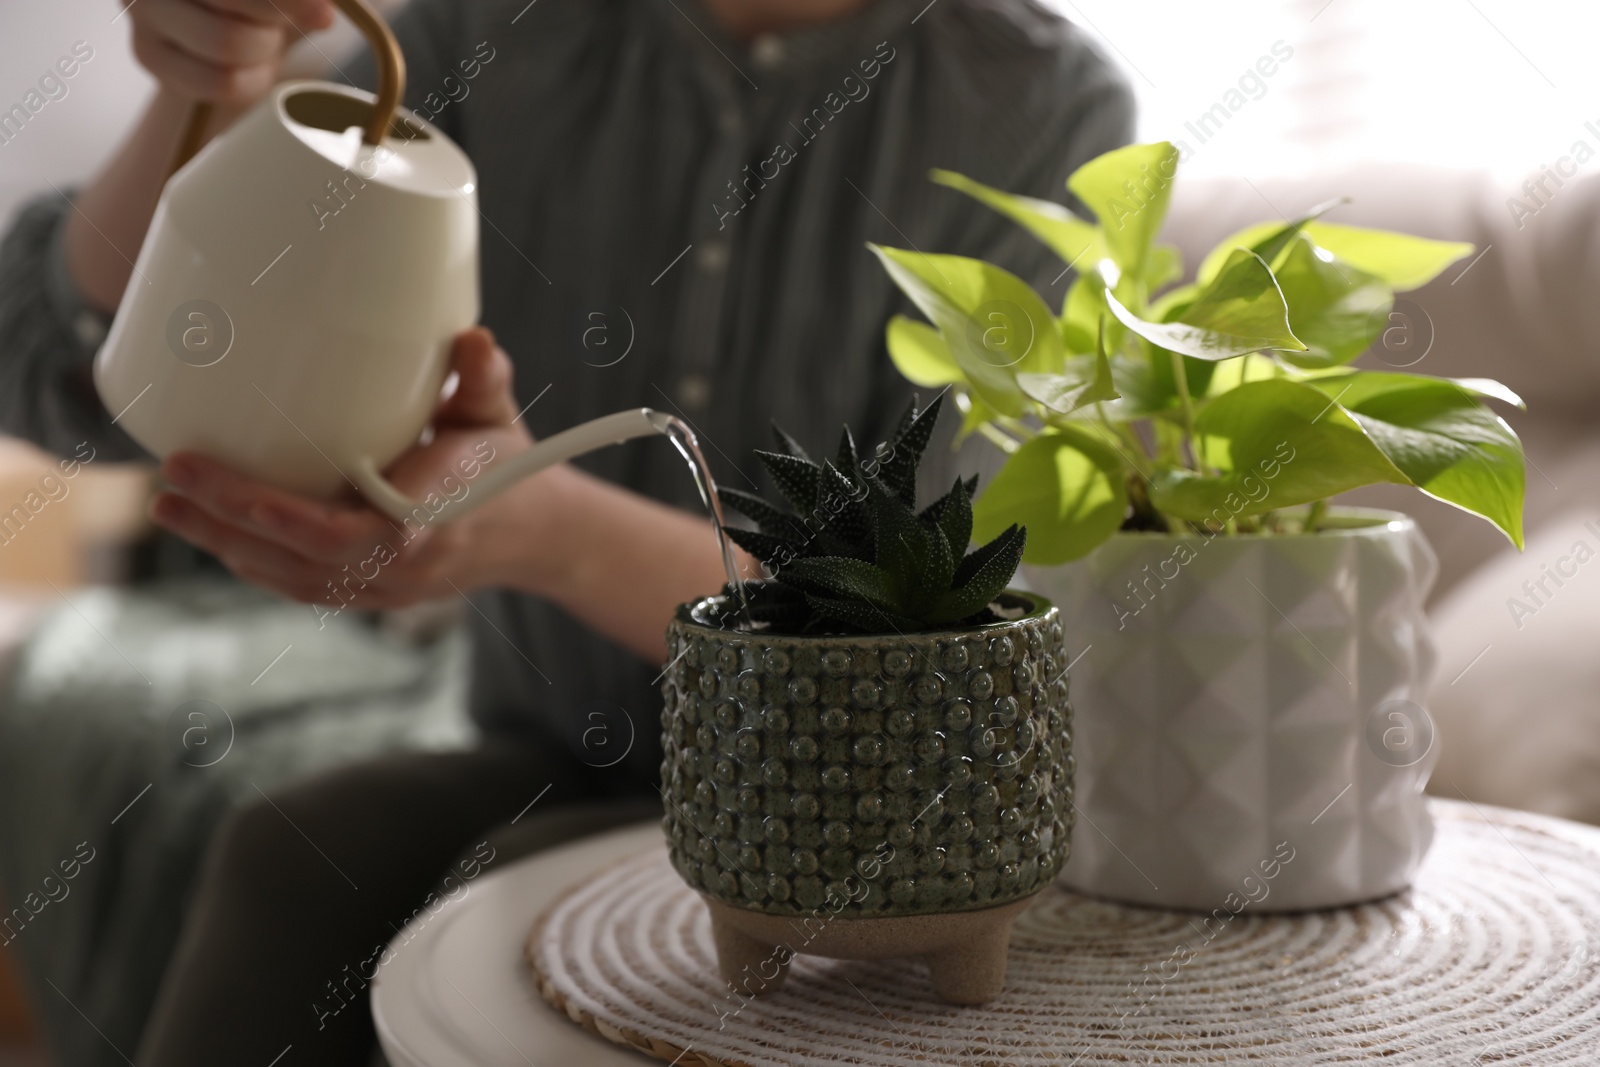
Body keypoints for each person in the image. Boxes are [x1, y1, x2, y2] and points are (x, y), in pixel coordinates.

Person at [0, 0, 1131, 1062]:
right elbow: (72, 375)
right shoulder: (490, 31)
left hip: (829, 795)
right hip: (543, 736)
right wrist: (210, 83)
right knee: (288, 856)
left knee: (510, 888)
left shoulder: (1040, 104)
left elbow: (936, 629)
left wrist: (548, 532)